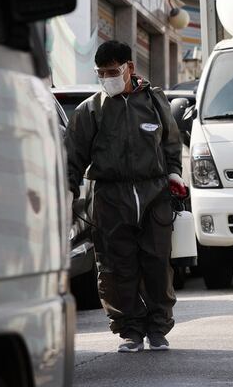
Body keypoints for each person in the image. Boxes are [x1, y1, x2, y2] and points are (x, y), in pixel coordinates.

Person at [65, 40, 188, 353]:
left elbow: (171, 145)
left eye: (113, 71)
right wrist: (69, 189)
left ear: (130, 68)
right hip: (110, 197)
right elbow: (73, 157)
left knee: (157, 263)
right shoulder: (90, 110)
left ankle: (158, 329)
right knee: (117, 266)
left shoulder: (155, 101)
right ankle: (130, 330)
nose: (108, 78)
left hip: (154, 194)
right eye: (101, 73)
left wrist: (174, 173)